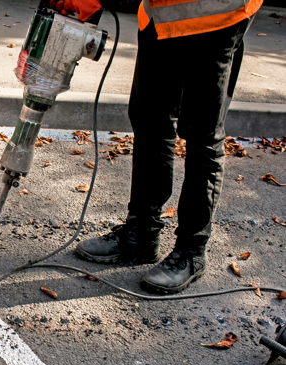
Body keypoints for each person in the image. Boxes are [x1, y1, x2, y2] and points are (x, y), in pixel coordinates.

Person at [52, 0, 263, 294]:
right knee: (149, 115)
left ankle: (191, 252)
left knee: (201, 131)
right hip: (163, 14)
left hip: (218, 13)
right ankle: (141, 234)